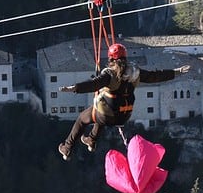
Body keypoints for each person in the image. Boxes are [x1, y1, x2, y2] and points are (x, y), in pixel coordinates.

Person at [57, 43, 190, 160]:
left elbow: (93, 84)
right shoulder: (135, 72)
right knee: (102, 113)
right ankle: (91, 139)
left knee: (83, 118)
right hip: (124, 116)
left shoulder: (110, 75)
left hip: (108, 114)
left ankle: (67, 148)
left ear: (110, 59)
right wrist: (175, 72)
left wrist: (75, 88)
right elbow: (155, 76)